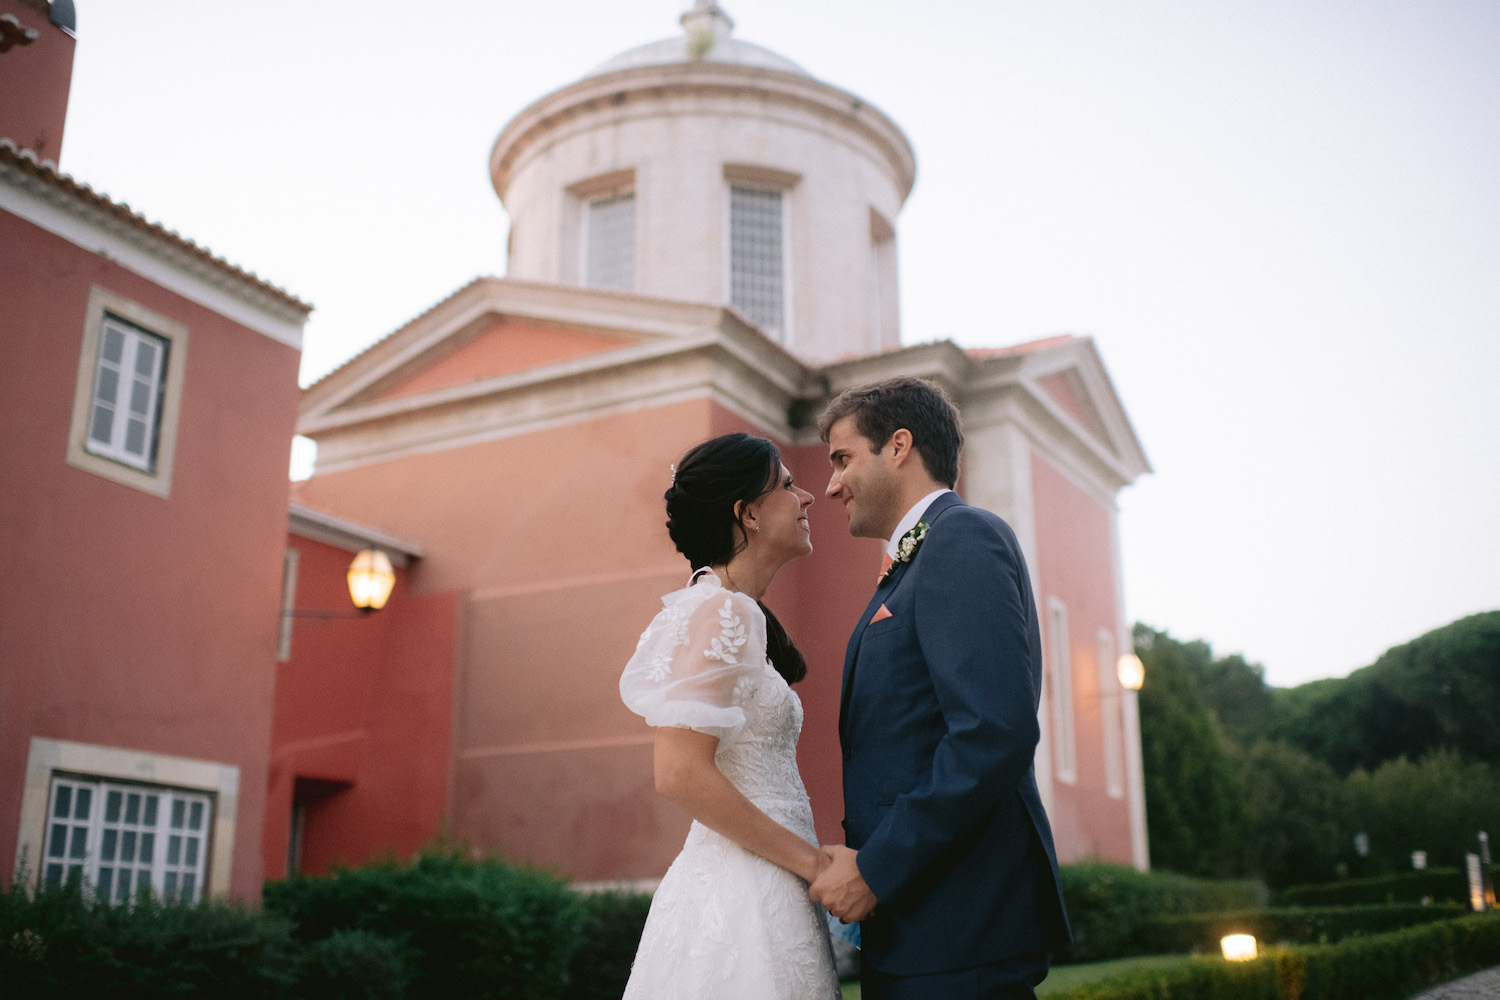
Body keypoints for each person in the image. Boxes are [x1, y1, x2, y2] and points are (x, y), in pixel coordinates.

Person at [808, 377, 1072, 1000]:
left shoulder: (961, 537)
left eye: (843, 459)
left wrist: (876, 869)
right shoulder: (911, 564)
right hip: (920, 930)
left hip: (962, 930)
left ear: (899, 446)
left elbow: (992, 732)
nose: (832, 485)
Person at [618, 432, 841, 999]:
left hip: (763, 876)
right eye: (787, 485)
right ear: (749, 514)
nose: (807, 497)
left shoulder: (731, 609)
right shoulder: (724, 610)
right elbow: (679, 771)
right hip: (747, 892)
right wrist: (815, 866)